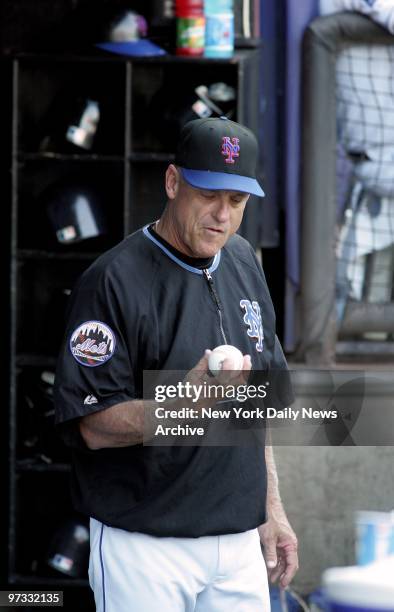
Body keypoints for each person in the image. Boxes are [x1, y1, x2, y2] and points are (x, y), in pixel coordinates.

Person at [54, 116, 298, 612]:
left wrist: (270, 507)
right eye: (209, 194)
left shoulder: (246, 262)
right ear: (172, 182)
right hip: (145, 543)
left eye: (236, 201)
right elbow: (92, 425)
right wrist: (182, 402)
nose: (222, 215)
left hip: (236, 543)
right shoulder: (112, 280)